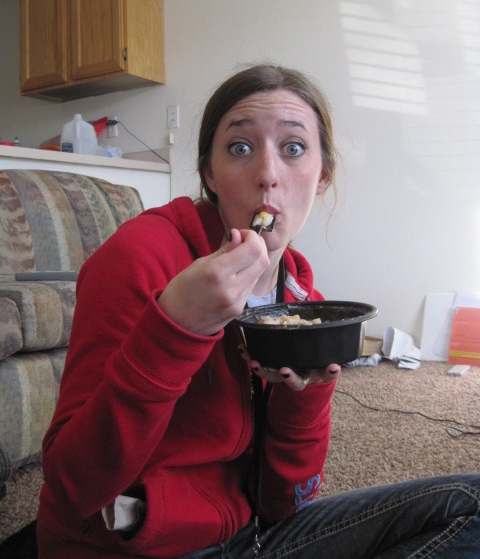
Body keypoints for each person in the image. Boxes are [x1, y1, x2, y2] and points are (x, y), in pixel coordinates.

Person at [37, 64, 480, 559]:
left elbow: (282, 506)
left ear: (322, 176)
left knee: (471, 504)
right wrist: (176, 328)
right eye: (240, 148)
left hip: (251, 538)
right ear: (209, 173)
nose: (268, 175)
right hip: (140, 548)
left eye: (294, 148)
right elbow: (72, 487)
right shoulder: (139, 257)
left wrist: (303, 399)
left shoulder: (302, 304)